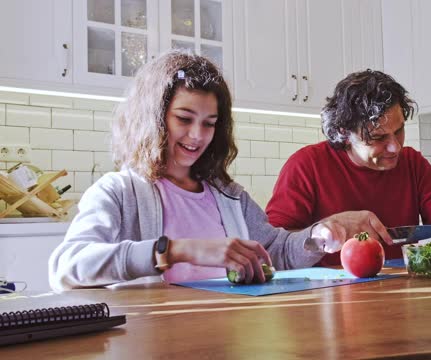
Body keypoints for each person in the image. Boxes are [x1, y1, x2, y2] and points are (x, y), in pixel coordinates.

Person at [48, 50, 362, 291]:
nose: (197, 135)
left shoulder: (228, 196)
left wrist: (318, 237)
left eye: (209, 124)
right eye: (184, 119)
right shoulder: (118, 192)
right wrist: (179, 250)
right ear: (154, 118)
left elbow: (276, 251)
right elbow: (67, 266)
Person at [266, 69, 431, 266]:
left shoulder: (413, 163)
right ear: (345, 133)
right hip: (326, 294)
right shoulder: (306, 166)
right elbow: (273, 250)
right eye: (378, 137)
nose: (395, 147)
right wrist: (324, 231)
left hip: (399, 289)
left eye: (400, 130)